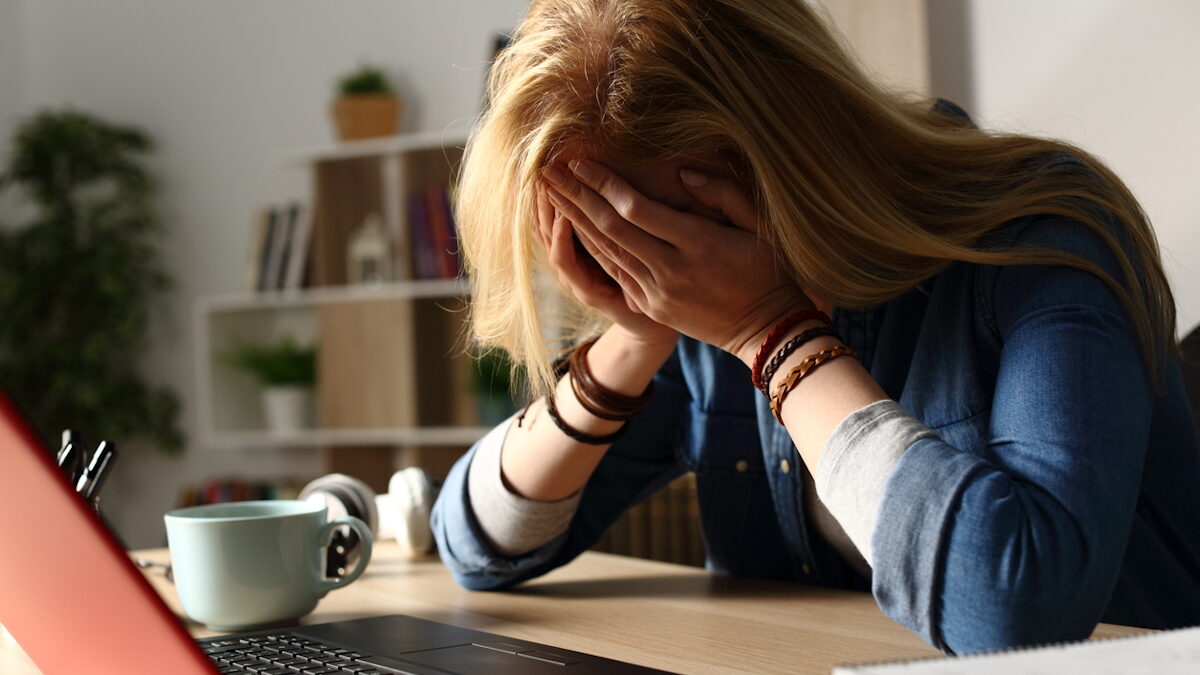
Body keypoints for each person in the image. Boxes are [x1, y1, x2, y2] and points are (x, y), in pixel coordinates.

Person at [430, 0, 1200, 655]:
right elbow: (477, 544)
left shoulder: (1045, 228)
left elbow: (1018, 609)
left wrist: (771, 330)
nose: (659, 271)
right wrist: (634, 337)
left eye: (662, 236)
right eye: (612, 245)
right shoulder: (689, 306)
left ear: (791, 153)